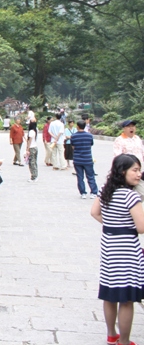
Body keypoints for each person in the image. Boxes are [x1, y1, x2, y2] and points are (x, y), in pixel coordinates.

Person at [90, 154, 144, 345]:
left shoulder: (105, 190)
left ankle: (112, 334)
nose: (139, 174)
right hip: (127, 250)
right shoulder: (131, 195)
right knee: (127, 299)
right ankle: (125, 340)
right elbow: (142, 227)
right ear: (123, 172)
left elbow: (94, 212)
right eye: (135, 170)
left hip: (109, 248)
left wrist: (113, 224)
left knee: (110, 294)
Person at [71, 120, 98, 198]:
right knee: (90, 176)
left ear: (77, 126)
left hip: (77, 159)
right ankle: (93, 192)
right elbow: (91, 144)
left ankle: (83, 193)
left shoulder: (74, 136)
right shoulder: (89, 136)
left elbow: (73, 147)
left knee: (80, 177)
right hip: (88, 159)